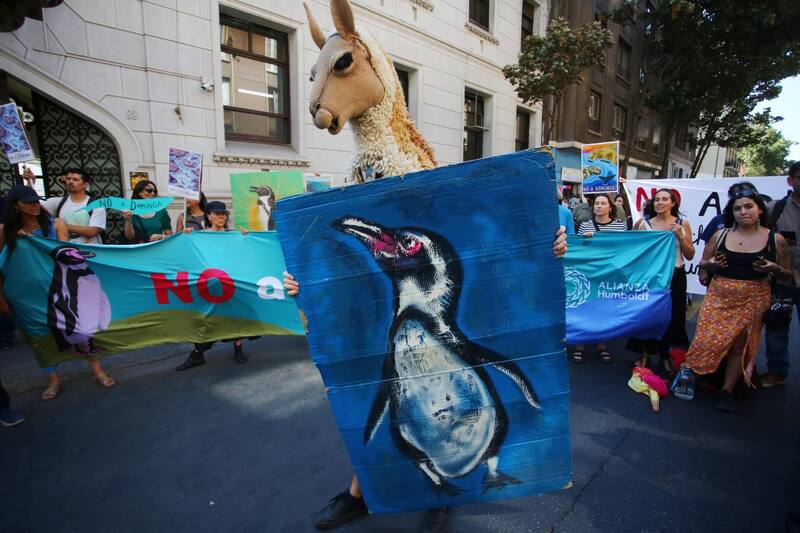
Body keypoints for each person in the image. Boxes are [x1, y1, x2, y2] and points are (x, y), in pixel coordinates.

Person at [282, 225, 568, 530]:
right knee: (386, 426)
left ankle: (437, 497)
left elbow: (527, 247)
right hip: (422, 425)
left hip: (474, 425)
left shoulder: (431, 324)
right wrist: (302, 285)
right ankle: (364, 493)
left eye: (407, 245)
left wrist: (549, 247)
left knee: (403, 418)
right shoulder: (403, 326)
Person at [677, 189, 791, 412]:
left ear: (759, 209)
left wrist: (775, 268)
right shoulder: (720, 235)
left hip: (754, 297)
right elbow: (703, 263)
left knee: (739, 347)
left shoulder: (775, 239)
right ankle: (694, 372)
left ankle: (727, 390)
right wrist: (712, 265)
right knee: (706, 340)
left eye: (748, 206)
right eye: (737, 208)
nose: (743, 212)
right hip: (719, 295)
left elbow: (787, 275)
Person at [0, 185, 116, 401]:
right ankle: (53, 380)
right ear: (16, 206)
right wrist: (2, 301)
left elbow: (64, 254)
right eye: (28, 202)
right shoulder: (5, 231)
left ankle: (98, 371)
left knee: (82, 329)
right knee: (40, 336)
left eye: (36, 201)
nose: (34, 205)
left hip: (60, 288)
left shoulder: (56, 224)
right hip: (26, 295)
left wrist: (34, 241)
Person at [174, 201, 250, 370]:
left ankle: (238, 349)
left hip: (229, 284)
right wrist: (185, 237)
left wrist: (246, 238)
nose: (221, 217)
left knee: (234, 317)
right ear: (208, 216)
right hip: (207, 286)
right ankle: (197, 354)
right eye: (217, 214)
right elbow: (186, 253)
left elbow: (242, 254)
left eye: (223, 214)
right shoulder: (199, 236)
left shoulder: (233, 235)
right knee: (204, 318)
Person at [627, 188, 694, 372]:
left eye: (665, 199)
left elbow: (690, 254)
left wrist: (681, 237)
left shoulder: (682, 224)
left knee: (674, 317)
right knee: (648, 315)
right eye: (657, 199)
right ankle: (645, 353)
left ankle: (667, 354)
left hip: (675, 276)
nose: (660, 202)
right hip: (651, 277)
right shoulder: (643, 224)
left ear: (673, 203)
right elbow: (631, 248)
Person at [572, 193, 628, 364]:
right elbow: (579, 250)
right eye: (596, 203)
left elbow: (625, 248)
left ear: (610, 207)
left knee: (603, 309)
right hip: (589, 272)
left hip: (609, 274)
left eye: (603, 203)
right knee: (585, 307)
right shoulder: (585, 226)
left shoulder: (620, 225)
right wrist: (586, 241)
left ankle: (601, 345)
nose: (599, 206)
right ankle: (580, 345)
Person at [762, 162, 800, 387]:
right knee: (777, 324)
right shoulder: (774, 209)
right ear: (790, 180)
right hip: (782, 278)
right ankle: (777, 371)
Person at [23, 166, 107, 244]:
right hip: (67, 249)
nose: (70, 181)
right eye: (68, 179)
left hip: (91, 249)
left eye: (75, 179)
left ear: (85, 185)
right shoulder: (59, 202)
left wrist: (61, 226)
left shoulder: (96, 205)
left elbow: (92, 231)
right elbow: (32, 206)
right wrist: (30, 182)